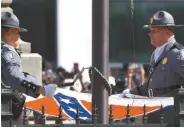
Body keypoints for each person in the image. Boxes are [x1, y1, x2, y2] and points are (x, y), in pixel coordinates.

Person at [122, 10, 184, 124]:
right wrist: (130, 91)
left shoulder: (177, 54)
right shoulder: (156, 54)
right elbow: (151, 86)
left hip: (170, 117)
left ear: (168, 32)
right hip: (154, 114)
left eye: (154, 31)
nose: (149, 34)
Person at [1, 11, 57, 126]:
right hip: (6, 110)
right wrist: (41, 89)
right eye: (16, 32)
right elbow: (14, 78)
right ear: (7, 32)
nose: (19, 36)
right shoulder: (7, 52)